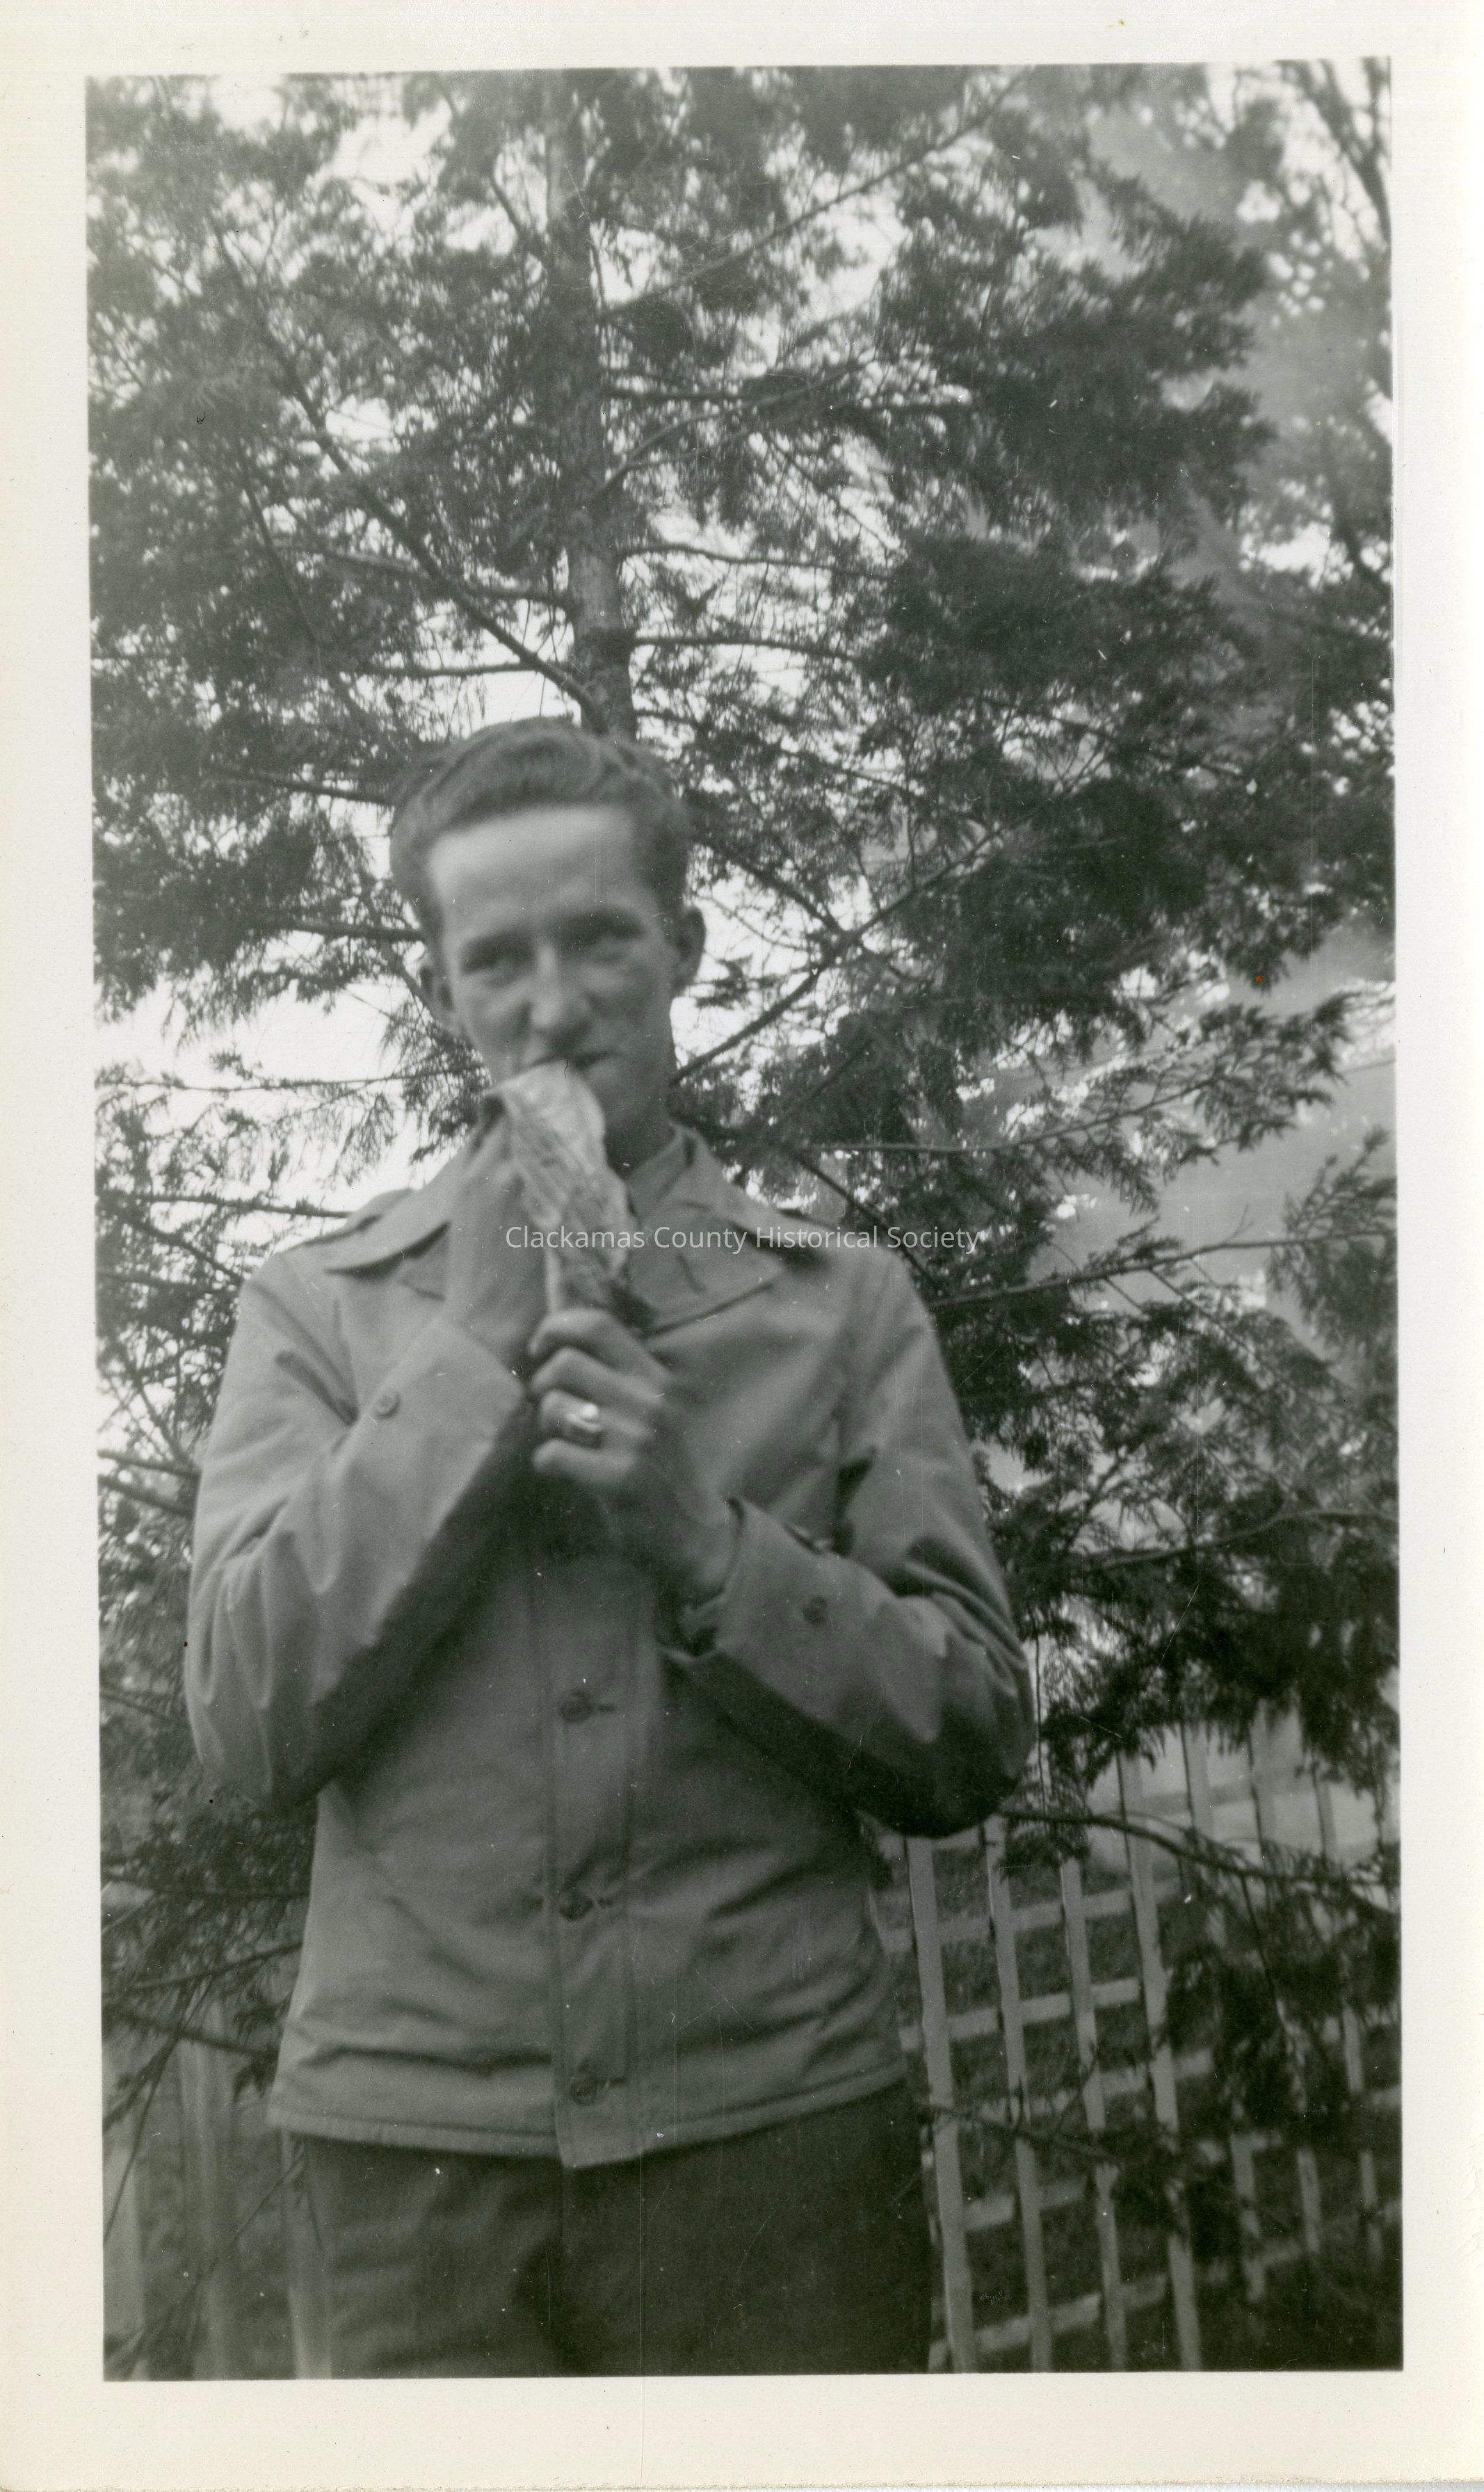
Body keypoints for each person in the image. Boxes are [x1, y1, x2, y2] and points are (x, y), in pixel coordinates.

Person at [186, 718, 1034, 2377]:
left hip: (772, 2148)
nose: (554, 1005)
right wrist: (463, 1359)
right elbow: (241, 1721)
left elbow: (969, 1731)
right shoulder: (315, 1310)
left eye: (600, 941)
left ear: (684, 949)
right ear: (441, 987)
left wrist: (704, 1540)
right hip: (416, 2182)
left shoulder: (843, 1304)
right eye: (496, 958)